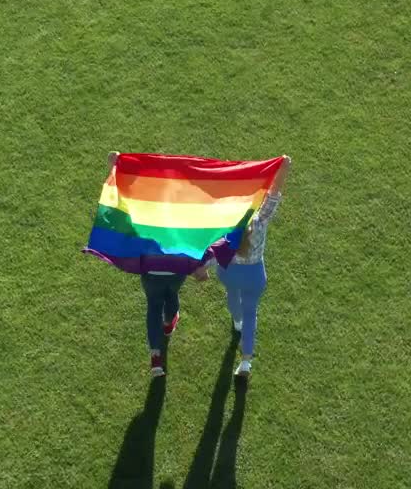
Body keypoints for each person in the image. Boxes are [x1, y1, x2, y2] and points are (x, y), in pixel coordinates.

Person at [194, 155, 290, 378]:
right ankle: (246, 361)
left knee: (232, 296)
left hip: (229, 274)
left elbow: (211, 254)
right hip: (255, 276)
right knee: (251, 313)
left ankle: (236, 322)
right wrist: (283, 169)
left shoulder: (225, 229)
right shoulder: (259, 220)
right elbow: (274, 194)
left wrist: (201, 269)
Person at [109, 152, 184, 377]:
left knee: (153, 306)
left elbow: (121, 202)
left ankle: (156, 358)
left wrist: (115, 167)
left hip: (151, 270)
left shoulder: (143, 212)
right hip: (175, 269)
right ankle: (170, 322)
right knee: (172, 296)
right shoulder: (181, 213)